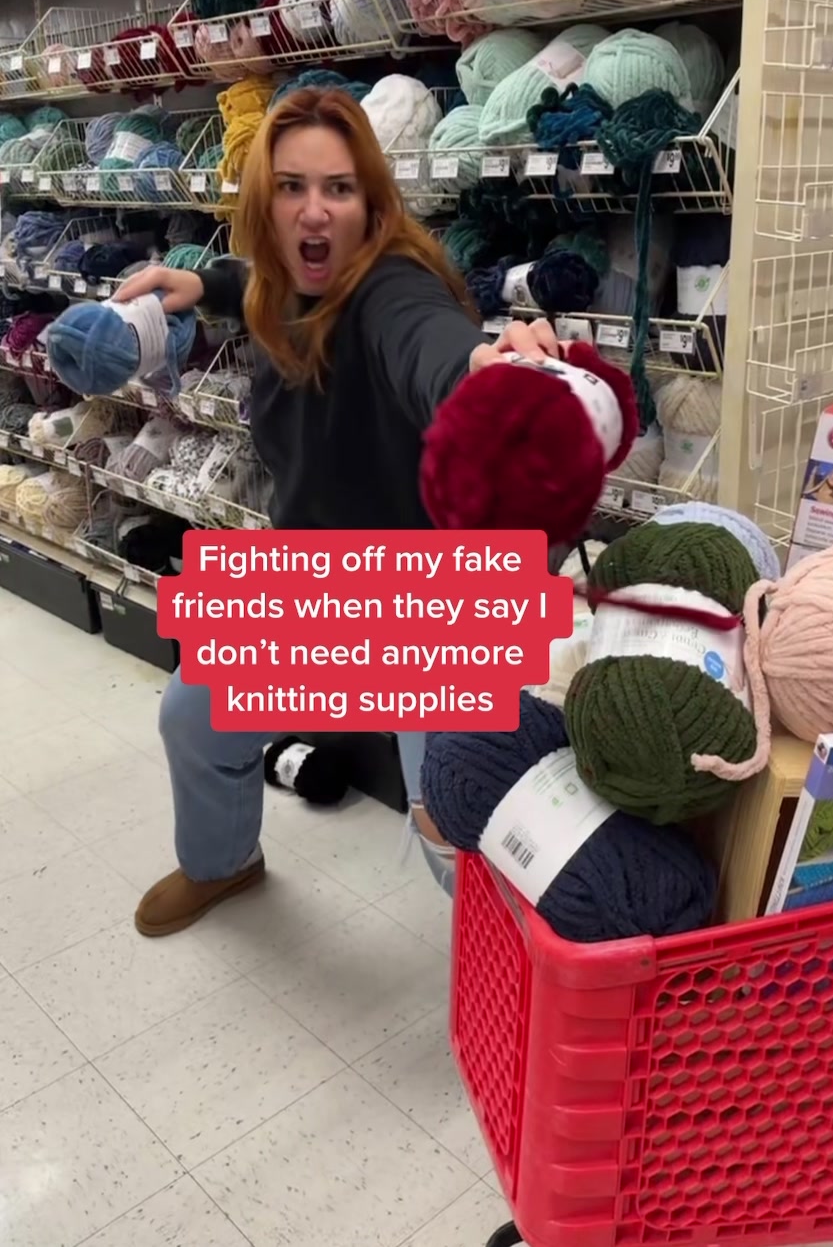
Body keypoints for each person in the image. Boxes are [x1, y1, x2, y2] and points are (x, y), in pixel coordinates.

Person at [114, 85, 560, 938]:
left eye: (339, 188)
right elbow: (255, 279)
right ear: (265, 201)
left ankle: (529, 970)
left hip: (435, 588)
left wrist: (482, 367)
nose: (314, 209)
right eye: (291, 186)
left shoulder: (394, 287)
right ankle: (223, 862)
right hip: (321, 578)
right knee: (193, 719)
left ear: (371, 203)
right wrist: (200, 280)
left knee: (453, 825)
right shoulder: (286, 281)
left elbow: (426, 339)